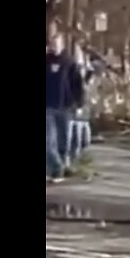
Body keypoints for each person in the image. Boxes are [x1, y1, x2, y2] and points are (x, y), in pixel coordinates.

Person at [46, 32, 85, 183]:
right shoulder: (47, 61)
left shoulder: (69, 62)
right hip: (48, 105)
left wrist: (79, 102)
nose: (54, 47)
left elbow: (77, 84)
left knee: (63, 140)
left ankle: (58, 169)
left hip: (65, 106)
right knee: (48, 142)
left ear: (62, 44)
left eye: (56, 44)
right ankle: (56, 167)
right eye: (51, 44)